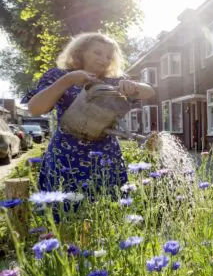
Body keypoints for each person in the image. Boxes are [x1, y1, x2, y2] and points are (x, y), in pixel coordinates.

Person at [22, 32, 155, 198]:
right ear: (80, 52)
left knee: (107, 209)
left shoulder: (113, 81)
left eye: (109, 56)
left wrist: (133, 85)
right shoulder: (58, 75)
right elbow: (35, 109)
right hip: (66, 155)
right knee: (64, 209)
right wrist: (68, 80)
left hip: (106, 155)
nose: (104, 59)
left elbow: (149, 91)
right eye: (97, 53)